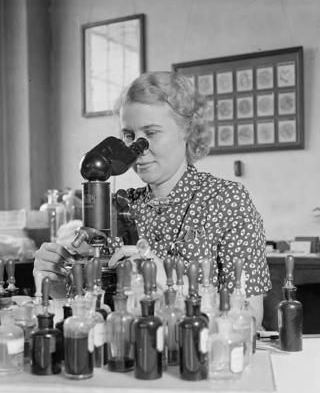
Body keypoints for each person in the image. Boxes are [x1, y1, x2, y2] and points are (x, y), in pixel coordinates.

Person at [34, 71, 271, 327]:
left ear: (187, 132)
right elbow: (92, 308)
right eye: (129, 135)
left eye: (151, 133)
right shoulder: (117, 206)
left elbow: (251, 318)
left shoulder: (227, 201)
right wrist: (58, 282)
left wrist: (170, 285)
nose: (138, 148)